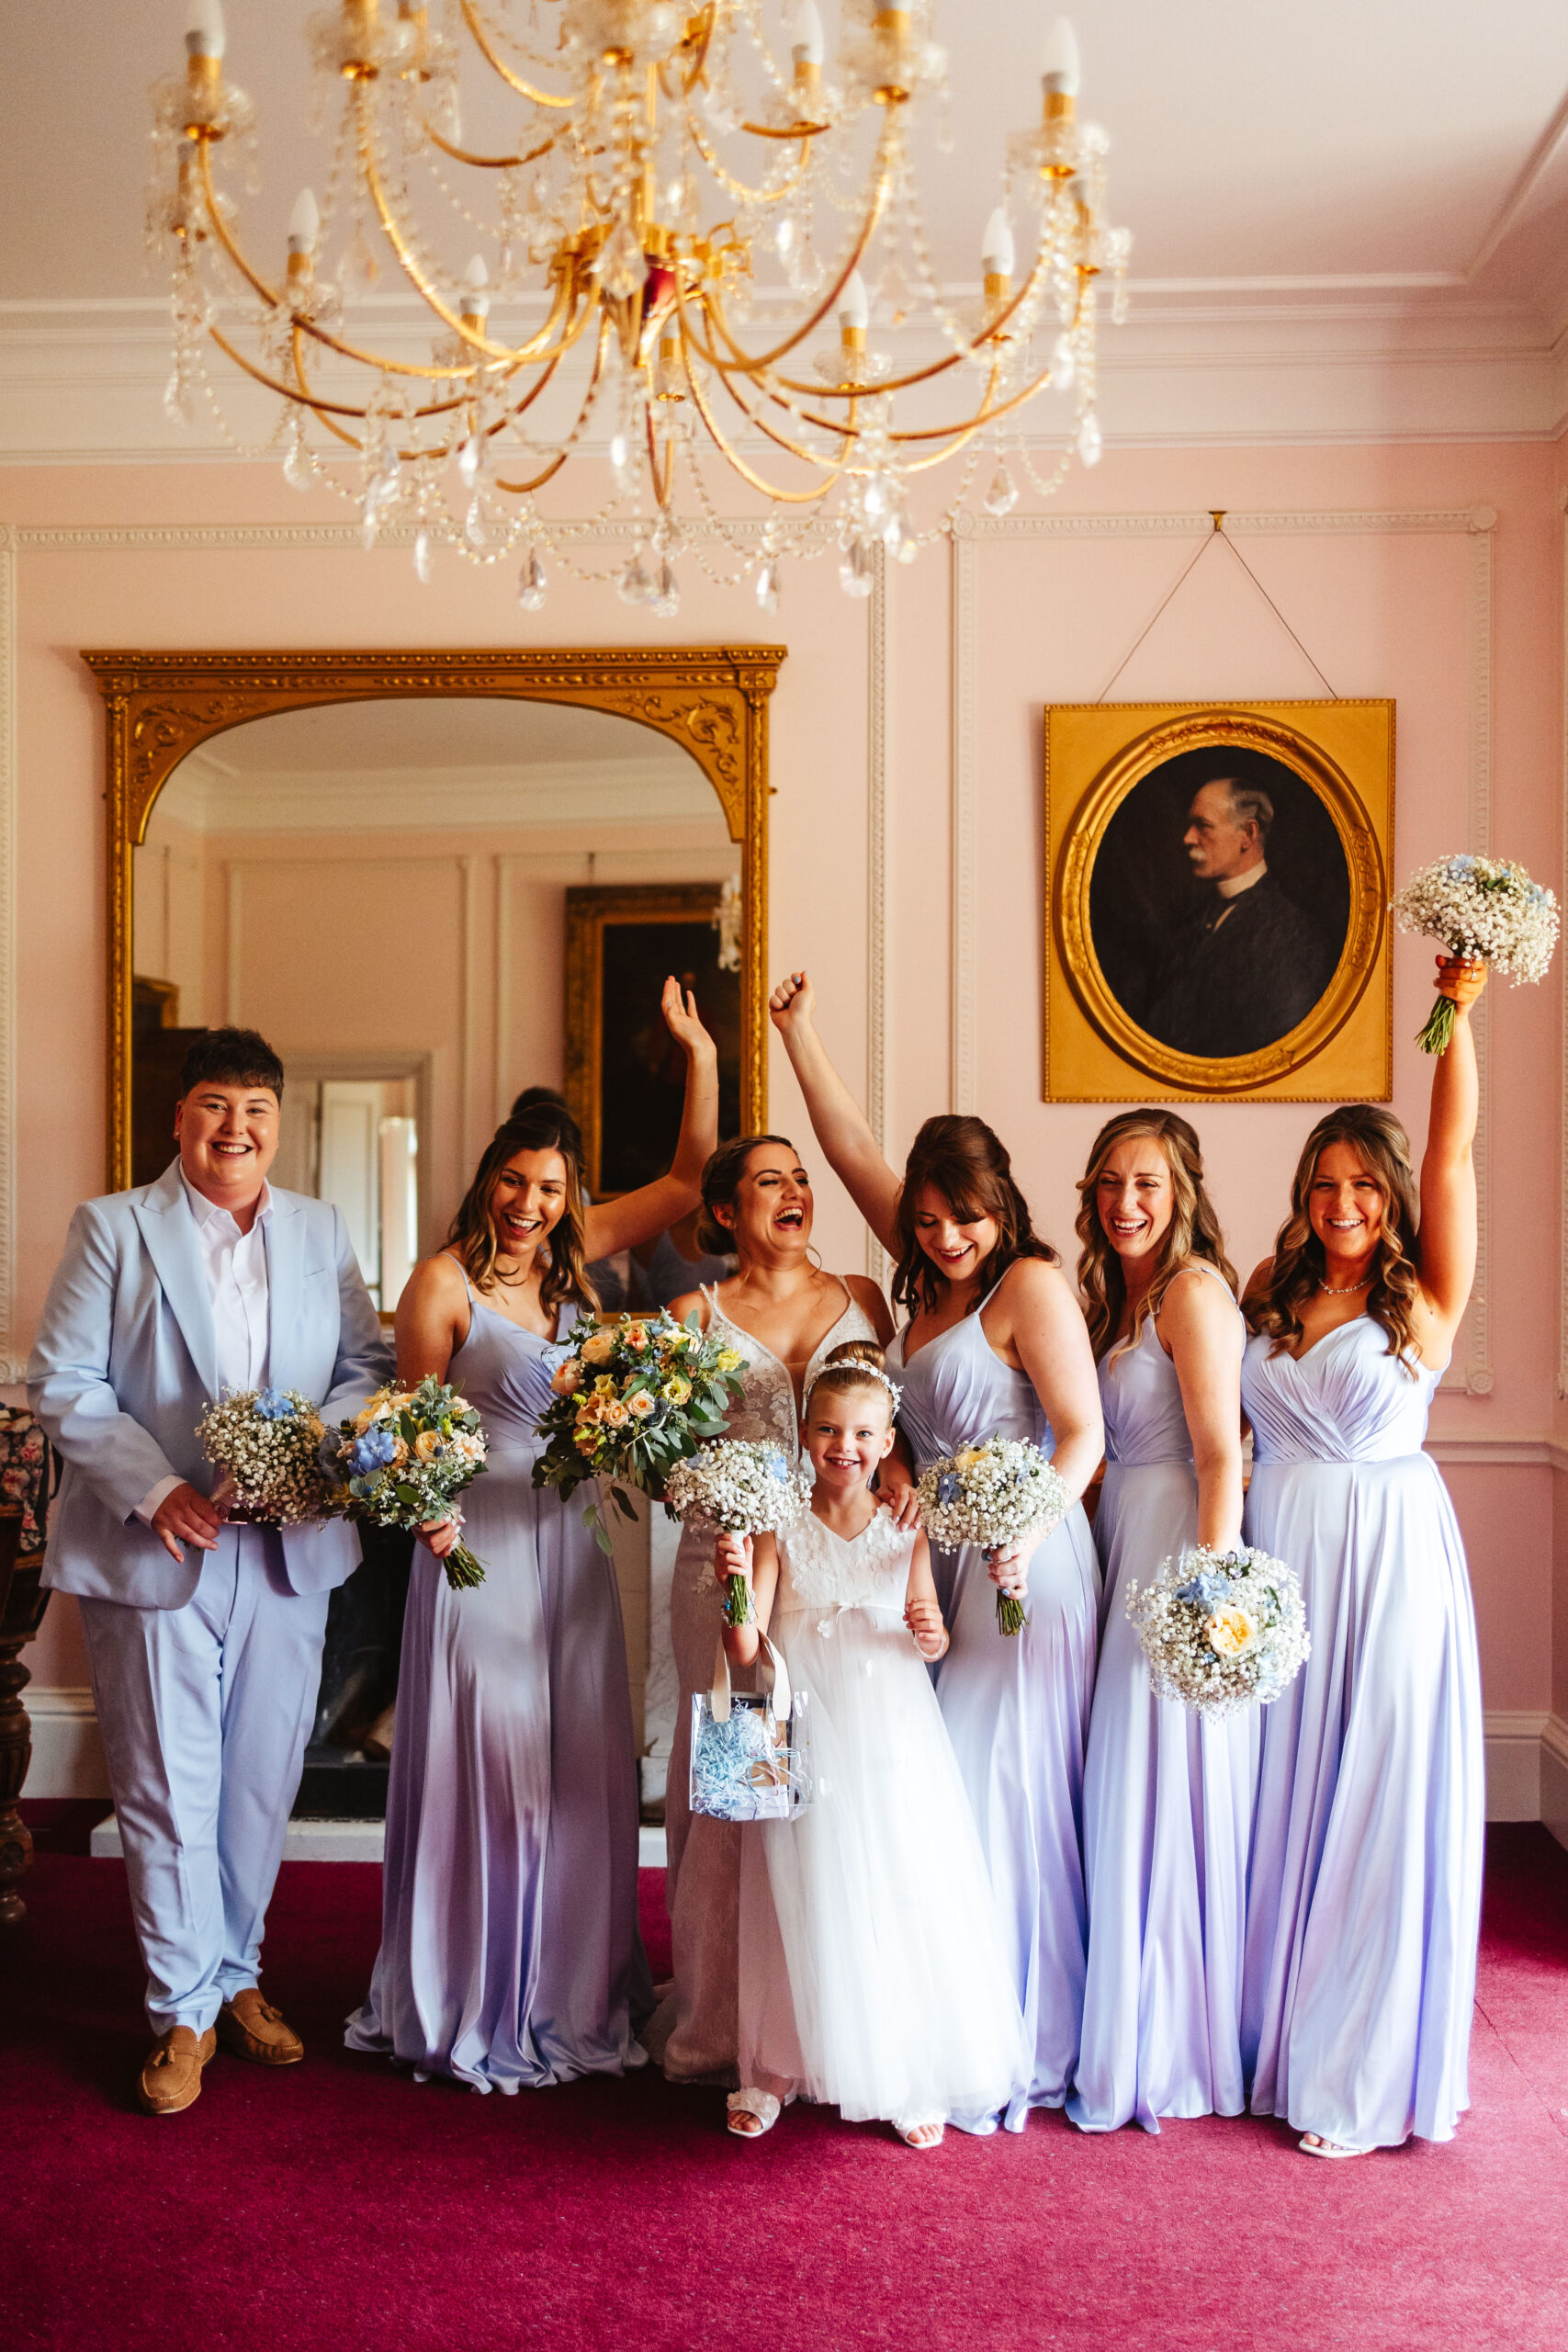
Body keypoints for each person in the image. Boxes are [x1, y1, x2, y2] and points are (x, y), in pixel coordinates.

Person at [347, 978, 718, 2091]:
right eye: (514, 1179)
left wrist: (697, 1049)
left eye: (549, 1187)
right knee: (494, 1759)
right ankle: (476, 1989)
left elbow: (696, 1178)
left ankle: (569, 1985)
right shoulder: (442, 1283)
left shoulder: (579, 1258)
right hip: (478, 1551)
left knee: (583, 1763)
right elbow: (407, 1435)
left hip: (579, 1544)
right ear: (487, 1178)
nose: (529, 1202)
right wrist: (430, 1519)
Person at [29, 1026, 390, 2116]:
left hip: (288, 1549)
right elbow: (64, 1380)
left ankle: (238, 1978)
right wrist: (159, 1490)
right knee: (164, 1785)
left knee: (257, 1782)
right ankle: (179, 2009)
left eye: (255, 1111)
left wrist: (305, 1456)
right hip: (158, 1546)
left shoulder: (322, 1229)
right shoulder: (113, 1227)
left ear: (278, 1122)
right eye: (213, 1108)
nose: (236, 1129)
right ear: (179, 1120)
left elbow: (364, 1369)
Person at [769, 971, 1103, 2129]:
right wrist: (797, 1032)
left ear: (1000, 1206)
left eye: (964, 1215)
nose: (945, 1235)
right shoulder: (921, 1284)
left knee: (1005, 1781)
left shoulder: (1029, 1284)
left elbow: (1084, 1436)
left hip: (1026, 1562)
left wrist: (1020, 1532)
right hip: (939, 1565)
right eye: (925, 1219)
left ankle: (1027, 2028)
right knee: (947, 1789)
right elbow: (855, 1142)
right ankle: (951, 2014)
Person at [1239, 955, 1487, 2157]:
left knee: (1374, 1801)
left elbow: (1450, 1154)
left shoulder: (1422, 1296)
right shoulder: (1263, 1288)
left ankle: (1355, 2065)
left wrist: (1456, 1016)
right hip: (1276, 1559)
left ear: (1387, 1196)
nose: (1340, 1202)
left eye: (1359, 1185)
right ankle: (1269, 2038)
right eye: (1321, 1184)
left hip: (1390, 1565)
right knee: (1276, 1797)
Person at [716, 1343, 1026, 2147]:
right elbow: (744, 1654)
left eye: (860, 1433)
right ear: (805, 1436)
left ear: (886, 1441)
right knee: (798, 1885)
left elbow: (929, 1634)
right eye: (826, 1430)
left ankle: (904, 2067)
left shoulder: (903, 1528)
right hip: (803, 1728)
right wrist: (734, 1583)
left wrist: (931, 1633)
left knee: (896, 1880)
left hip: (889, 1729)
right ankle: (777, 2064)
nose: (842, 1448)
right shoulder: (777, 1524)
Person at [643, 1132, 894, 2086]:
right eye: (768, 1180)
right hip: (730, 1571)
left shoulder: (860, 1302)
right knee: (739, 1784)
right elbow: (662, 1457)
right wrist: (708, 1487)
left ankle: (826, 2016)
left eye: (801, 1177)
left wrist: (895, 1486)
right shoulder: (691, 1314)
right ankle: (720, 2019)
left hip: (836, 1566)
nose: (794, 1191)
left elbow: (887, 1419)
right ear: (723, 1212)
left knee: (836, 1782)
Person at [1066, 1113, 1253, 2134]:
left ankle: (1169, 2044)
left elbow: (1221, 1453)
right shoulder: (1117, 1297)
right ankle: (1128, 2019)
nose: (1124, 1202)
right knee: (1121, 1784)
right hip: (1122, 1541)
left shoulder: (1193, 1293)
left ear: (1182, 1189)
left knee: (1164, 1786)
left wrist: (1210, 1598)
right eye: (1107, 1183)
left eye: (1145, 1183)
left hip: (1179, 1553)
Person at [1146, 777, 1329, 1059]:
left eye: (1203, 826)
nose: (1188, 838)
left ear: (1248, 833)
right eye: (1190, 825)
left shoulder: (1291, 933)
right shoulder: (1192, 918)